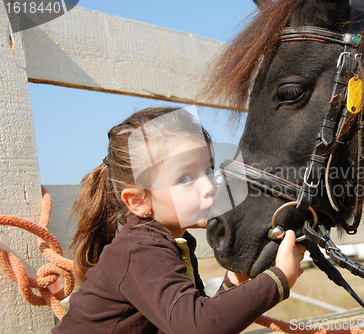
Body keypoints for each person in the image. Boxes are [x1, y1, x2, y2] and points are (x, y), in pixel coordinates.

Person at [53, 106, 305, 334]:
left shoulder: (169, 241)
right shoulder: (141, 250)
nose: (208, 185)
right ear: (138, 201)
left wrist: (233, 282)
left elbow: (189, 317)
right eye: (184, 178)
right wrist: (279, 279)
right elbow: (197, 327)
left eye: (208, 169)